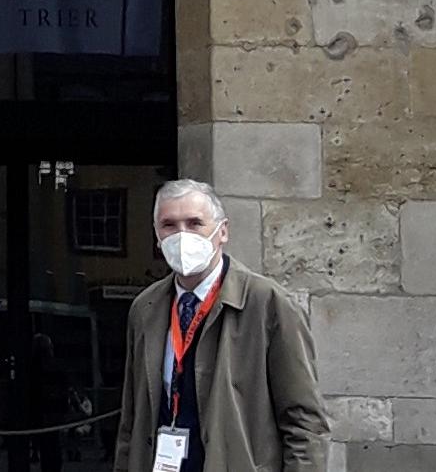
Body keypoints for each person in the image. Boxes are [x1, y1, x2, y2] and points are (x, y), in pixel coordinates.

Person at [113, 180, 327, 472]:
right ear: (157, 236)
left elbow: (304, 424)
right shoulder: (145, 309)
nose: (182, 235)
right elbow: (132, 418)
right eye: (169, 225)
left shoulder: (268, 304)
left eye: (195, 223)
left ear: (222, 231)